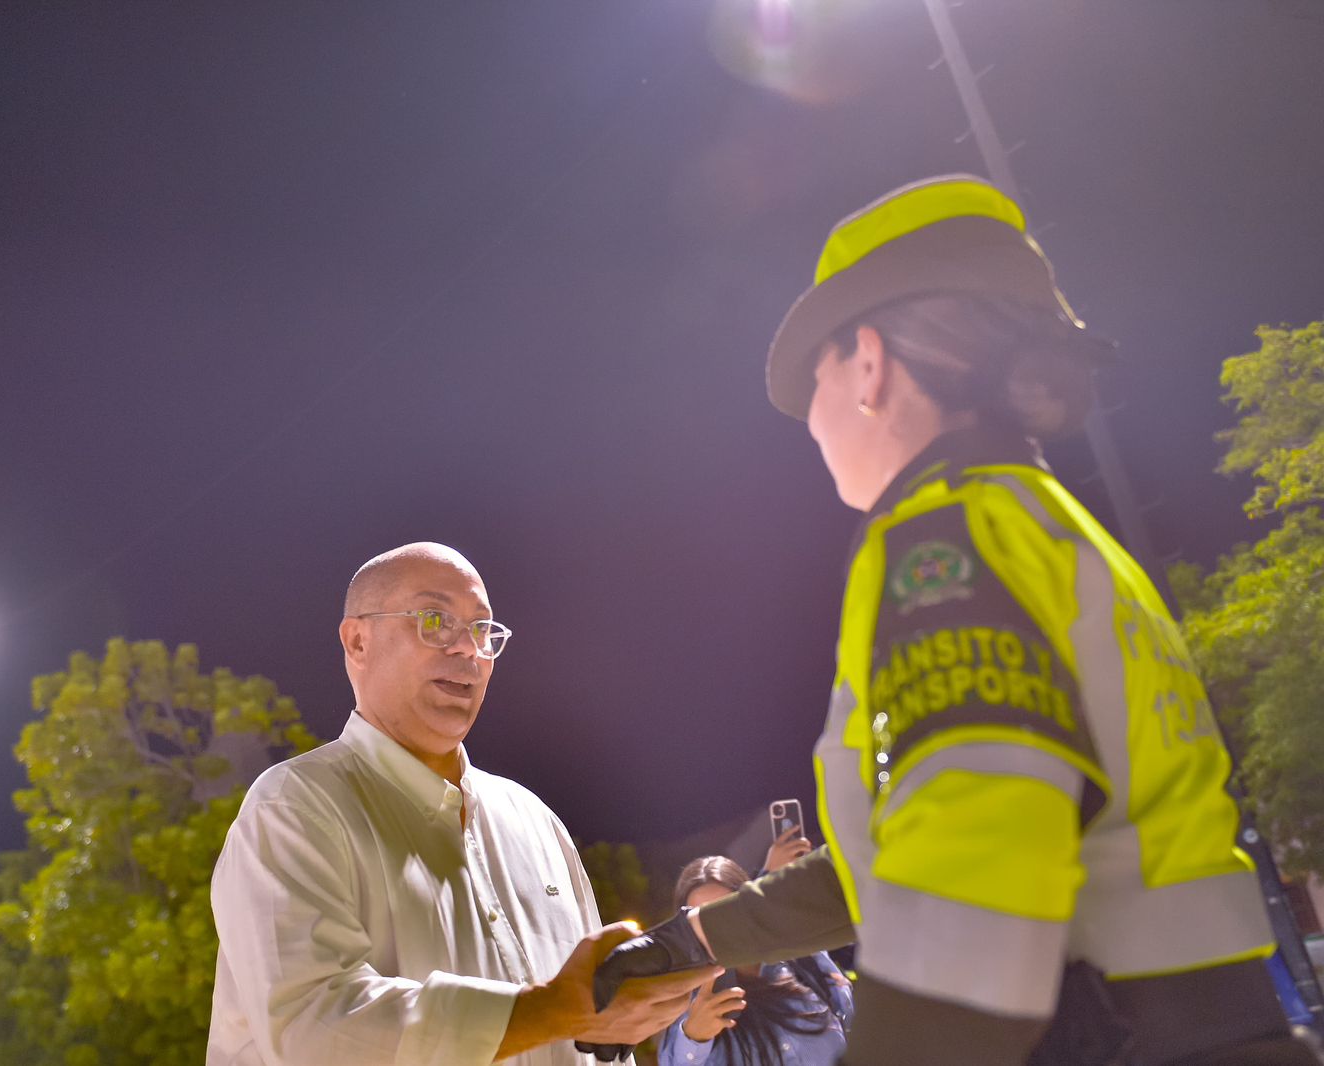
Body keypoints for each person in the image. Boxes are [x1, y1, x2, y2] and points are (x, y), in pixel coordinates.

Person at [589, 176, 1320, 1064]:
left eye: (816, 377)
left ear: (868, 366)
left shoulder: (945, 542)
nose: (812, 424)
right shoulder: (1044, 522)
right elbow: (910, 855)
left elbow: (973, 890)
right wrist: (684, 947)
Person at [207, 542, 713, 1065]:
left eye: (482, 630)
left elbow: (592, 1036)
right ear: (357, 641)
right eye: (434, 620)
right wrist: (551, 1010)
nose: (468, 649)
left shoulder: (534, 822)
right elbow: (314, 1029)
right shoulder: (296, 808)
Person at [658, 855, 847, 1066]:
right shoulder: (685, 1005)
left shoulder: (804, 961)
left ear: (751, 910)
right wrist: (694, 1037)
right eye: (701, 921)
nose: (717, 932)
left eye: (724, 913)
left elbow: (852, 1021)